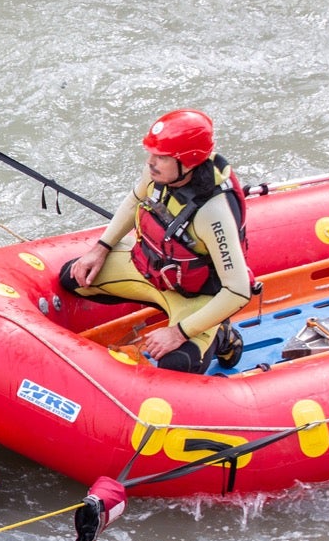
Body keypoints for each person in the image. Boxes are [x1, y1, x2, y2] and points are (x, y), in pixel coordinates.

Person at [60, 109, 251, 374]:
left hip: (197, 297)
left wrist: (179, 333)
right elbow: (135, 200)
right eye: (151, 153)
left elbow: (239, 290)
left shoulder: (213, 212)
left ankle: (223, 336)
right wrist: (100, 248)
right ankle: (162, 305)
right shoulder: (162, 172)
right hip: (151, 271)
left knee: (176, 364)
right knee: (72, 277)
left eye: (161, 157)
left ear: (188, 161)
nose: (151, 162)